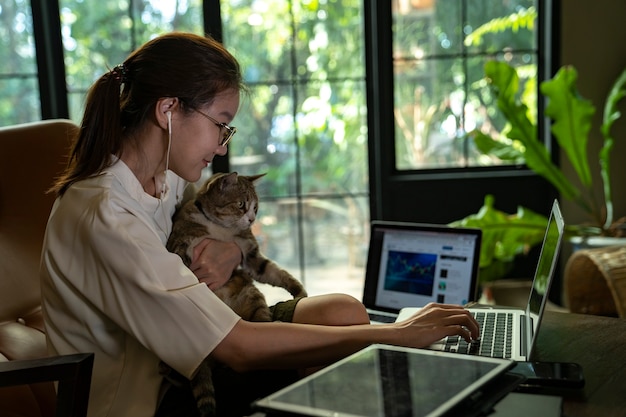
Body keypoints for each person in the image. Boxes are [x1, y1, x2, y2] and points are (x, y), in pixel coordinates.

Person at [40, 32, 479, 417]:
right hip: (149, 395)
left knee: (344, 312)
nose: (221, 145)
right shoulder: (105, 213)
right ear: (168, 110)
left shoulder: (166, 175)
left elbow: (217, 232)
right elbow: (239, 349)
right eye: (221, 125)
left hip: (183, 347)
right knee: (358, 343)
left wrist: (231, 250)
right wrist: (397, 334)